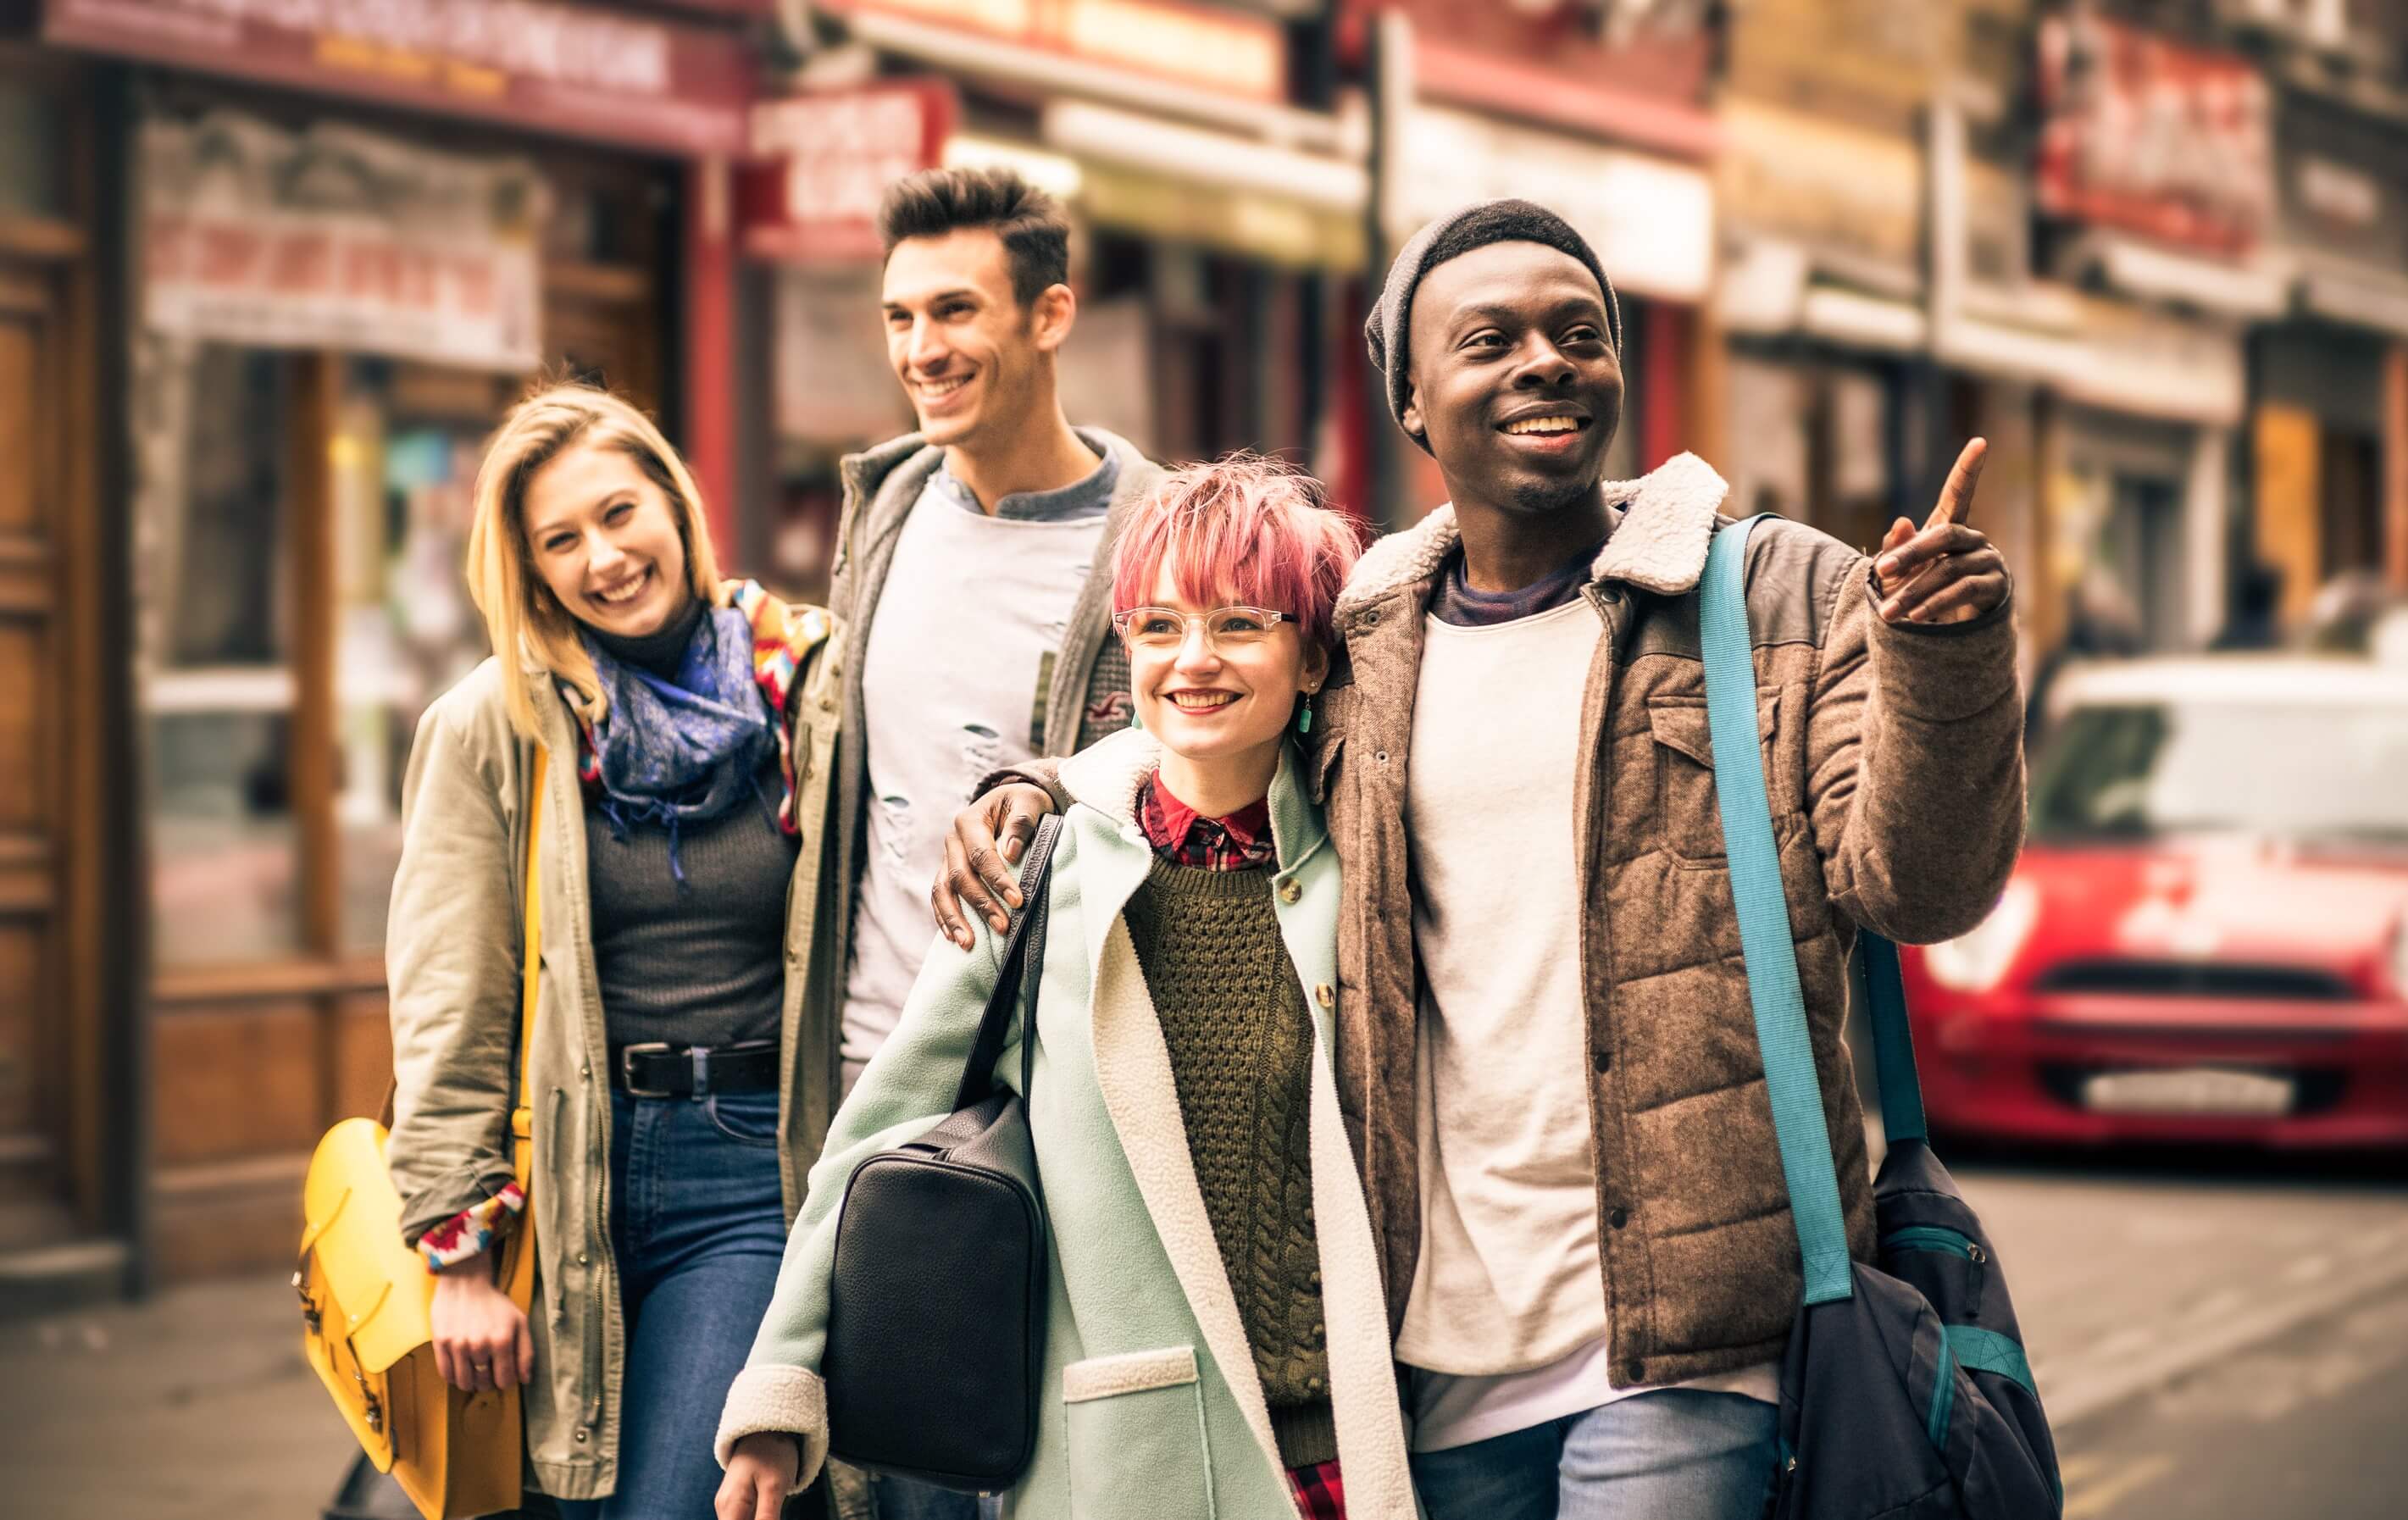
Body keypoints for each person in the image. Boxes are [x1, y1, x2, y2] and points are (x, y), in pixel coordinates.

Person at [939, 200, 2027, 1518]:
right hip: (1429, 1350)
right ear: (1413, 397)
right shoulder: (1367, 632)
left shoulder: (1771, 591)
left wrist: (1942, 659)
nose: (1544, 361)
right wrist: (1036, 783)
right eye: (1490, 339)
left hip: (1690, 1342)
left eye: (1580, 333)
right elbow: (1207, 744)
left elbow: (1919, 888)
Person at [713, 458, 1417, 1520]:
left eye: (1239, 624)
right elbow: (876, 1131)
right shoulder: (1038, 870)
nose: (1193, 659)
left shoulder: (1362, 857)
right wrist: (777, 1394)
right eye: (1158, 625)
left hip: (1353, 1453)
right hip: (1136, 1457)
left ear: (1311, 657)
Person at [384, 382, 841, 1517]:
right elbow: (450, 995)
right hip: (556, 1176)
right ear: (531, 569)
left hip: (746, 1173)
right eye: (562, 539)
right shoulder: (496, 721)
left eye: (620, 512)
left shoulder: (810, 685)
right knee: (559, 1499)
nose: (604, 555)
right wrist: (459, 1255)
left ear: (675, 507)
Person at [818, 164, 1168, 1518]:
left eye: (955, 310)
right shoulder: (883, 509)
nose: (921, 349)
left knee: (1073, 1471)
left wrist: (1057, 778)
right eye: (900, 316)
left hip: (1062, 1090)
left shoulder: (1158, 533)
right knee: (906, 1478)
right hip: (875, 1079)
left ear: (1050, 314)